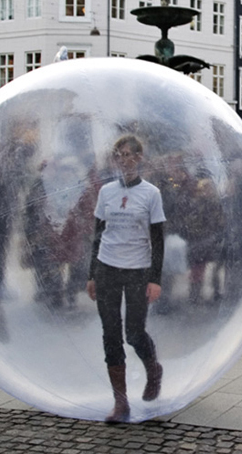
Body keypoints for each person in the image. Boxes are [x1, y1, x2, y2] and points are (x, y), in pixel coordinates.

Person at [86, 135, 165, 422]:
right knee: (111, 335)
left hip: (137, 270)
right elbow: (98, 233)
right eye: (119, 155)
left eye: (130, 154)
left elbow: (158, 240)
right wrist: (91, 273)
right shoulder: (106, 191)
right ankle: (121, 403)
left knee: (133, 332)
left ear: (140, 158)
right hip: (107, 268)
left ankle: (153, 369)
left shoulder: (151, 193)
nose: (124, 160)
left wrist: (155, 279)